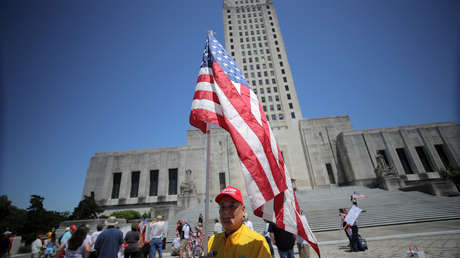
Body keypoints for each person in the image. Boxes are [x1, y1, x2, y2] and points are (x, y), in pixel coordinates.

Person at [202, 186, 270, 258]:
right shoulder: (212, 241)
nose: (226, 211)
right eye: (222, 207)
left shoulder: (258, 243)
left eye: (232, 206)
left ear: (243, 210)